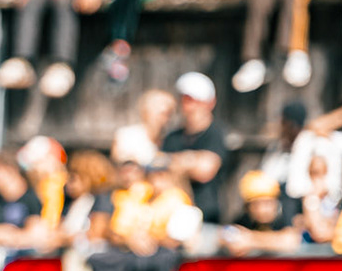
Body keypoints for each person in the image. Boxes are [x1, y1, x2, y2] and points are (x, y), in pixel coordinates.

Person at [159, 72, 229, 225]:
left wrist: (175, 162)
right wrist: (192, 160)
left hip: (206, 216)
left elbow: (205, 171)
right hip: (170, 215)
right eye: (185, 101)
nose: (189, 107)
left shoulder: (215, 134)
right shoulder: (172, 137)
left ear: (210, 103)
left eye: (195, 101)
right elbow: (160, 170)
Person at [222, 170, 304, 256]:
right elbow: (226, 235)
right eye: (256, 204)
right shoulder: (244, 220)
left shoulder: (286, 214)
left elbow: (290, 241)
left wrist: (249, 239)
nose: (262, 209)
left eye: (267, 203)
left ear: (276, 203)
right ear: (247, 208)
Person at [112, 88, 175, 168]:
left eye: (169, 114)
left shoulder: (170, 140)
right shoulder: (126, 136)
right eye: (162, 114)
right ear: (146, 112)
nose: (165, 119)